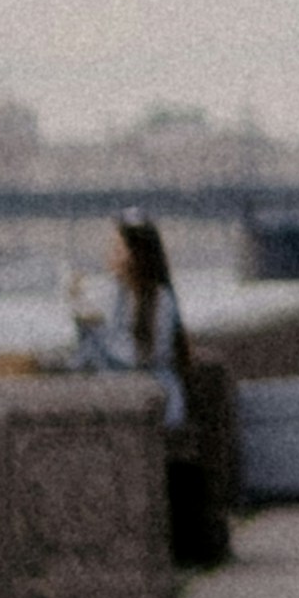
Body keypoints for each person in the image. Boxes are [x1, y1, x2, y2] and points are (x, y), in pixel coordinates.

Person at [79, 211, 225, 574]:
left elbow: (144, 358)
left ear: (135, 253)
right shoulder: (114, 295)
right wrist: (83, 328)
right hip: (121, 401)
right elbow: (92, 360)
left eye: (116, 247)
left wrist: (95, 334)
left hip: (158, 405)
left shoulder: (159, 299)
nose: (109, 255)